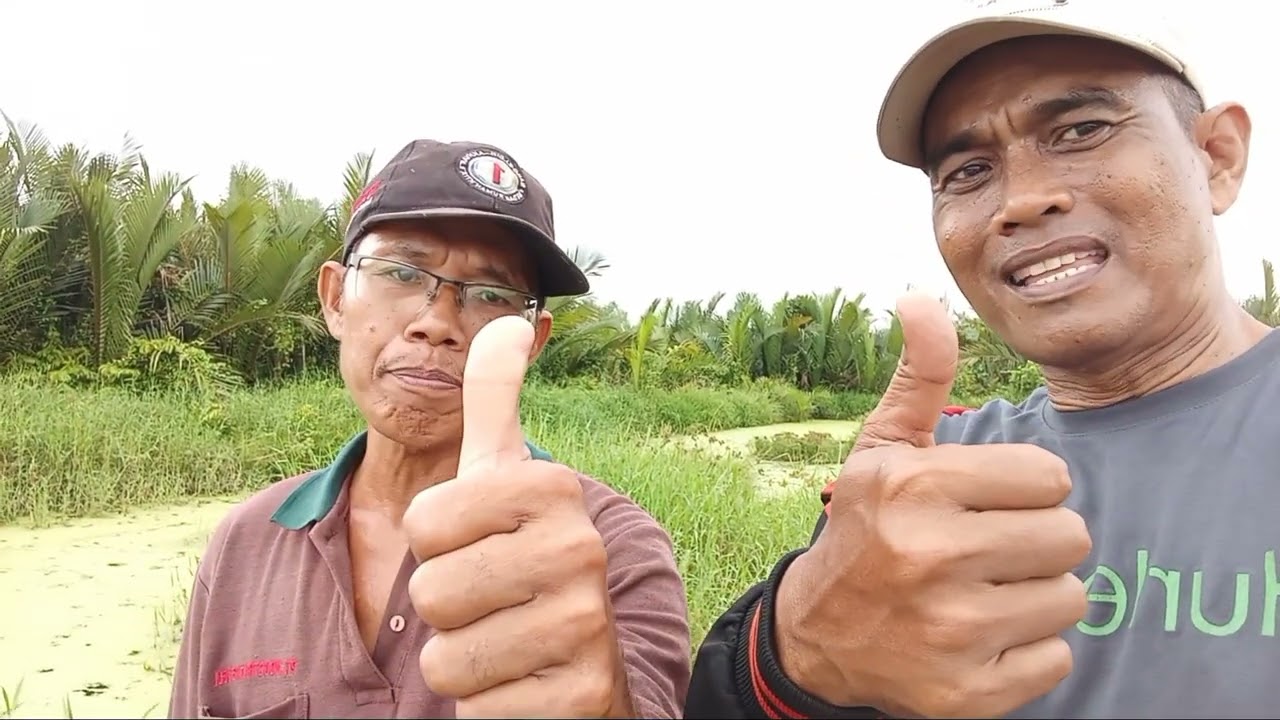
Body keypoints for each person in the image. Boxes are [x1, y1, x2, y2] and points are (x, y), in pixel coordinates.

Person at [686, 2, 1280, 718]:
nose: (1022, 201)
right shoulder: (918, 474)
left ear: (1218, 157)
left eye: (1082, 130)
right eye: (968, 170)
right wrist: (795, 649)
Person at [167, 139, 691, 719]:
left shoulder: (613, 550)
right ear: (335, 298)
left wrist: (603, 700)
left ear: (533, 342)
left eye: (491, 294)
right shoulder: (244, 544)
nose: (437, 322)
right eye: (401, 273)